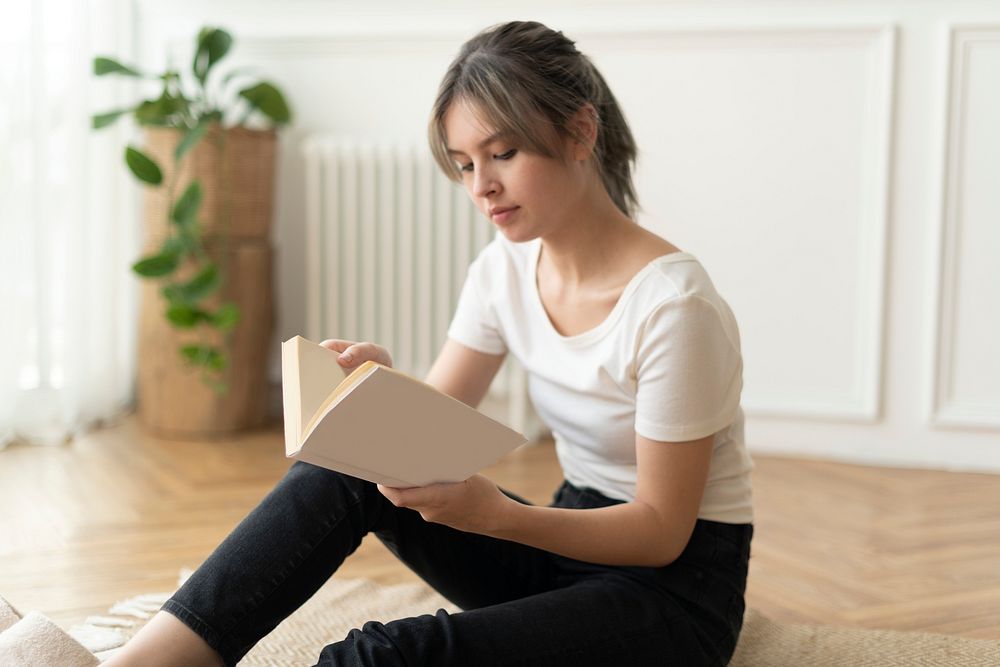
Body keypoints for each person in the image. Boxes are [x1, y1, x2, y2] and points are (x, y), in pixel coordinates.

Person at [107, 20, 754, 667]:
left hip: (676, 590)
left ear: (581, 131)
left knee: (391, 655)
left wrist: (497, 515)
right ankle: (153, 660)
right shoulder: (505, 268)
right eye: (465, 163)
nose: (481, 186)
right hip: (569, 541)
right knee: (350, 463)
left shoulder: (673, 307)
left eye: (502, 154)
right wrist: (380, 396)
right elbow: (434, 418)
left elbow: (661, 532)